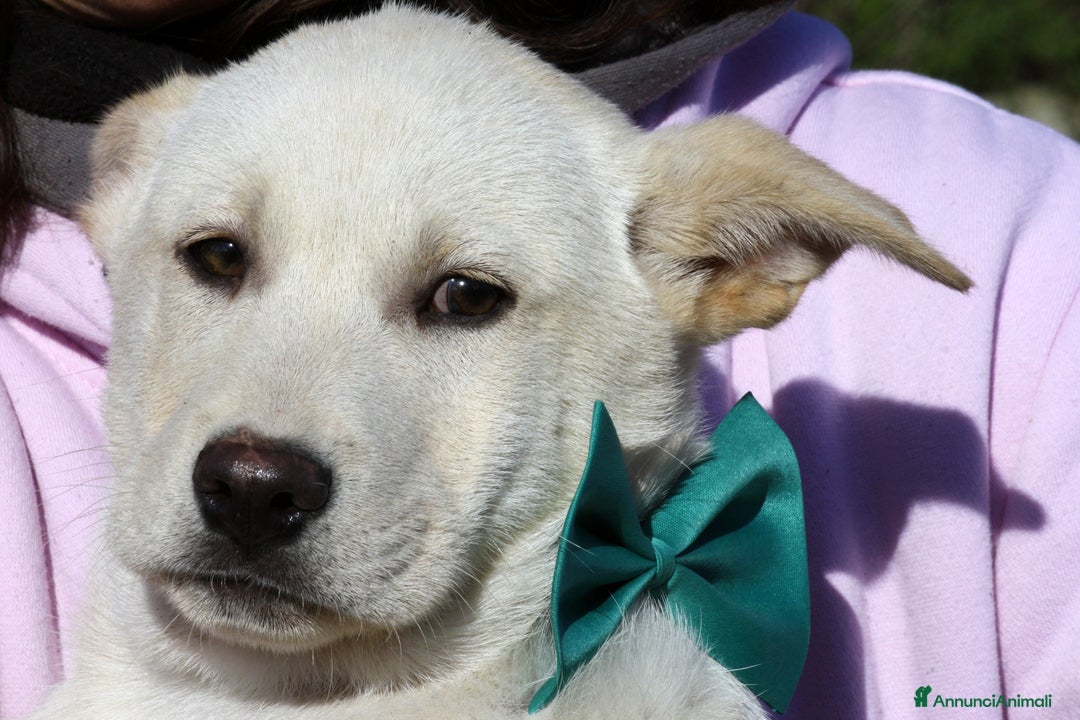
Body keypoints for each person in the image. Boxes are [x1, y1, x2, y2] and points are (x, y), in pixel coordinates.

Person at [2, 1, 1077, 718]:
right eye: (218, 257)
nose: (259, 453)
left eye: (463, 296)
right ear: (121, 206)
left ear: (712, 268)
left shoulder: (1031, 242)